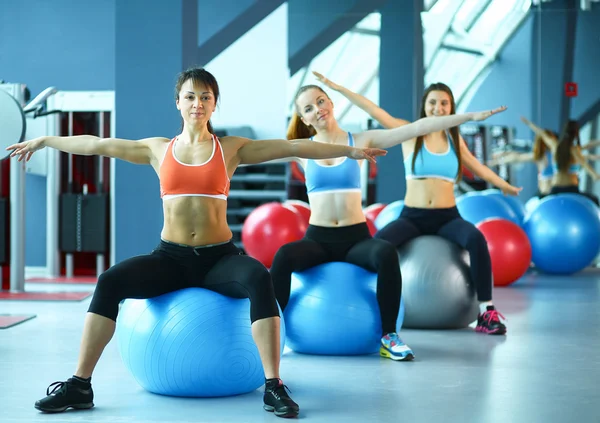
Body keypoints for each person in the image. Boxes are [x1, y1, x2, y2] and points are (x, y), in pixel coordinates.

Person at [6, 67, 388, 419]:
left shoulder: (231, 149)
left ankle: (273, 386)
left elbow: (294, 148)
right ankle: (79, 385)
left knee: (258, 277)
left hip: (218, 259)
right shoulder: (158, 149)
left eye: (206, 97)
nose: (198, 103)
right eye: (190, 96)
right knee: (109, 281)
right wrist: (45, 140)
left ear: (214, 104)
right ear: (178, 102)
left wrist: (350, 151)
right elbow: (98, 144)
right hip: (169, 258)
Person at [270, 79, 509, 357]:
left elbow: (418, 127)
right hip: (318, 238)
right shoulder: (301, 148)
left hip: (354, 237)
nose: (318, 109)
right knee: (284, 256)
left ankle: (389, 336)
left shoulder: (360, 140)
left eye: (321, 101)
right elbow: (257, 151)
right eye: (309, 108)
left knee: (385, 253)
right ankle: (272, 332)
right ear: (303, 117)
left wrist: (470, 117)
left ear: (331, 103)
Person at [521, 117, 600, 205]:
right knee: (595, 200)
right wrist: (595, 175)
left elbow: (543, 134)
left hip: (555, 189)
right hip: (571, 190)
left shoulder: (555, 147)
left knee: (540, 199)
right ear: (576, 133)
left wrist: (528, 123)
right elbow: (589, 170)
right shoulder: (575, 150)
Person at [487, 129, 559, 196]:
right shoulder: (548, 156)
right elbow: (517, 157)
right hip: (550, 194)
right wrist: (498, 159)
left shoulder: (542, 157)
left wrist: (495, 162)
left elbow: (517, 158)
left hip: (546, 194)